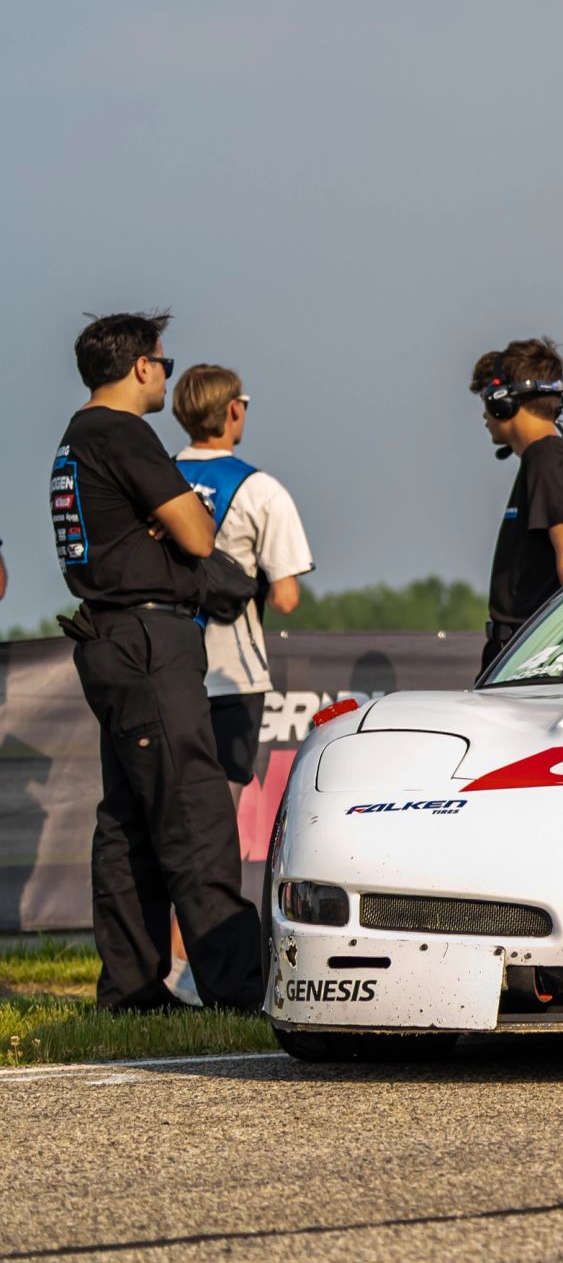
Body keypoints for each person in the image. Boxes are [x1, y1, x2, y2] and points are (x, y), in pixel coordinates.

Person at [49, 312, 264, 1012]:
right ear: (140, 366)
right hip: (146, 642)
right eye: (164, 364)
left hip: (110, 639)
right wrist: (170, 522)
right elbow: (199, 536)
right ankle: (237, 991)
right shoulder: (120, 433)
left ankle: (132, 990)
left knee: (129, 824)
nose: (167, 377)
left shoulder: (75, 440)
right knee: (193, 813)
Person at [170, 365, 314, 788]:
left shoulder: (156, 478)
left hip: (164, 664)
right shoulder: (261, 489)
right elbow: (286, 598)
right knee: (222, 807)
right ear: (233, 410)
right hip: (233, 671)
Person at [471, 338, 563, 669]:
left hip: (535, 656)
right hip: (530, 650)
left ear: (502, 400)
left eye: (486, 399)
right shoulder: (549, 457)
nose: (484, 413)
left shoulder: (547, 458)